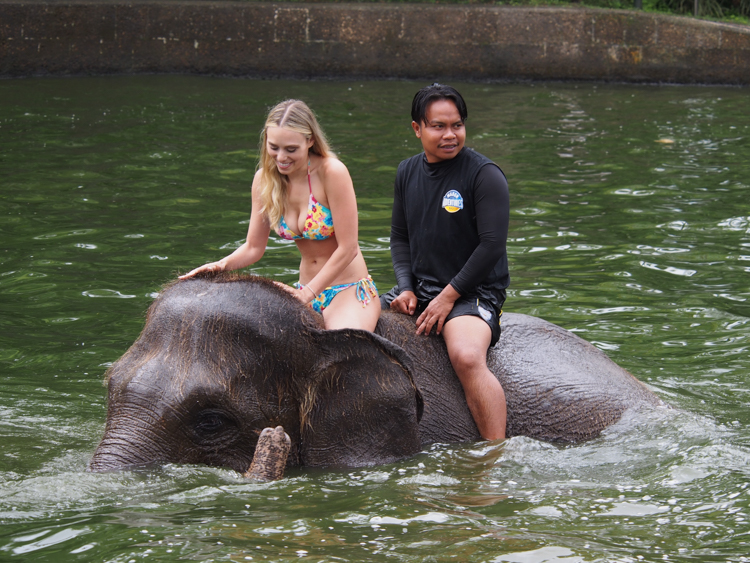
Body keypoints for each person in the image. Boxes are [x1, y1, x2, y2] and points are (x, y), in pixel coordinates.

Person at [181, 99, 380, 332]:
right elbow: (254, 247)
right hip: (302, 290)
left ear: (310, 141)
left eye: (291, 149)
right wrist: (220, 265)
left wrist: (307, 294)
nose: (281, 157)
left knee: (343, 347)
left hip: (347, 289)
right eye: (274, 147)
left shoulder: (331, 172)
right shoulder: (263, 181)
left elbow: (349, 248)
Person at [380, 83, 510, 440]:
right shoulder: (407, 172)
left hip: (473, 292)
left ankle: (494, 454)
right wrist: (406, 287)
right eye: (439, 126)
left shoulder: (484, 174)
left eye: (457, 125)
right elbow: (400, 237)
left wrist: (449, 296)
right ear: (417, 128)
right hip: (422, 286)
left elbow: (492, 245)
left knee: (467, 356)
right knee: (348, 317)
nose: (450, 135)